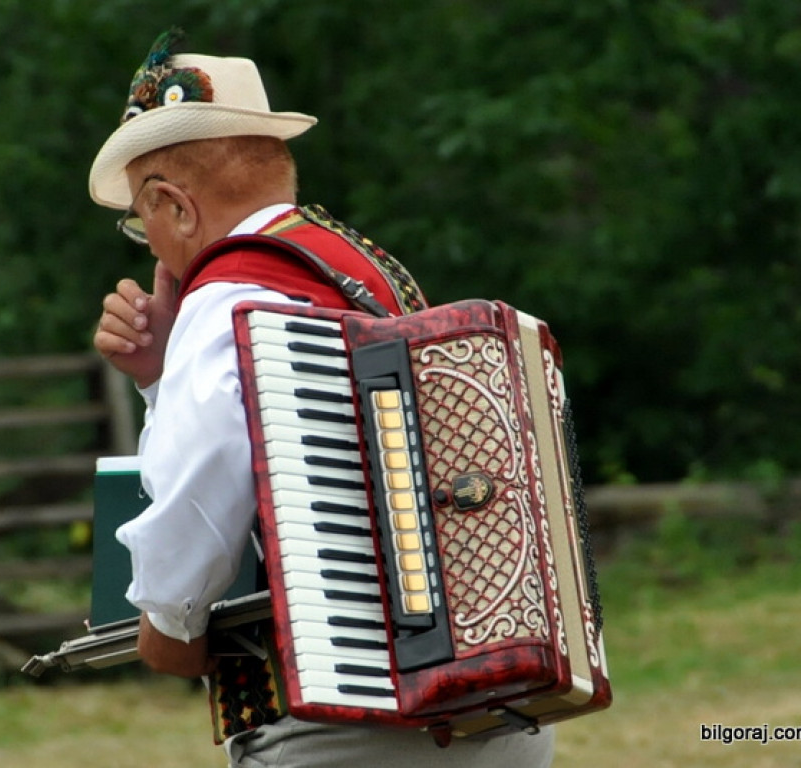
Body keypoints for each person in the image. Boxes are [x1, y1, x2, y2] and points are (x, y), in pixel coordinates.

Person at [90, 28, 555, 768]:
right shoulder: (358, 270)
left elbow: (205, 475)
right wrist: (161, 372)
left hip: (346, 727)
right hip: (488, 711)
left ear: (174, 206)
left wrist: (168, 621)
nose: (147, 244)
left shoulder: (227, 301)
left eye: (139, 222)